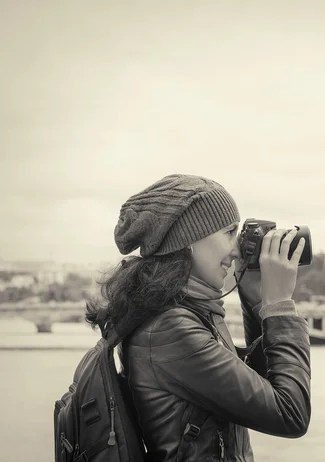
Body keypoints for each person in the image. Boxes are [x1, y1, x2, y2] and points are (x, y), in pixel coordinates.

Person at [85, 174, 311, 462]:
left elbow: (257, 388)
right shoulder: (170, 329)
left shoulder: (193, 310)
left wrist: (256, 301)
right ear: (189, 240)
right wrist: (279, 304)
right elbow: (290, 414)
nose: (238, 248)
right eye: (230, 232)